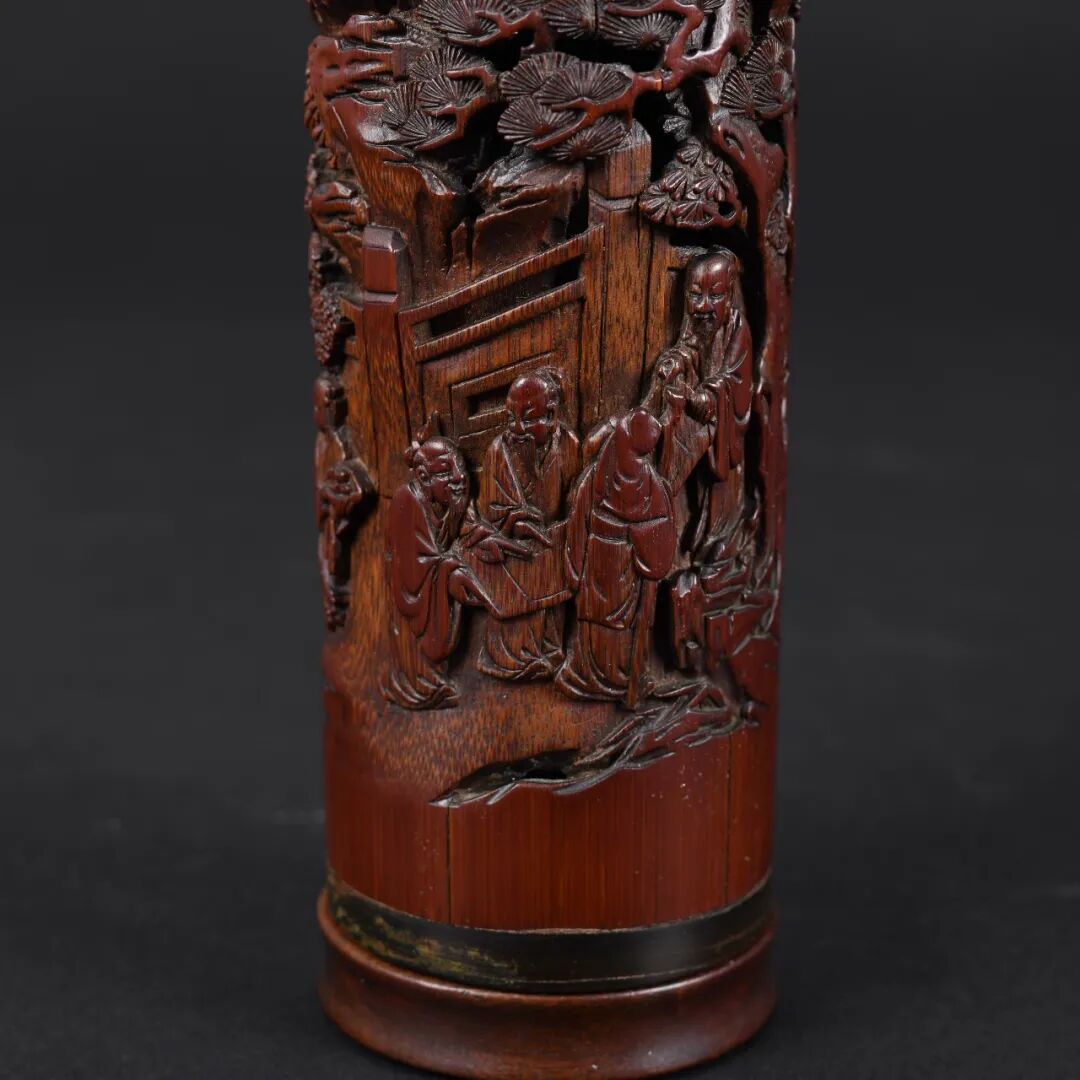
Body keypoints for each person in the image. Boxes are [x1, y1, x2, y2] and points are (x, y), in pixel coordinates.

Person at [555, 409, 676, 706]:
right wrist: (575, 568)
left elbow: (659, 523)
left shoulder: (645, 481)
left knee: (618, 624)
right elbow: (578, 520)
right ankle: (591, 676)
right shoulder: (599, 477)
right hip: (601, 559)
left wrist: (644, 539)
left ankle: (620, 676)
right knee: (597, 619)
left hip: (620, 562)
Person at [644, 248, 754, 559]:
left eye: (714, 296)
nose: (703, 306)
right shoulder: (697, 321)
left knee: (717, 496)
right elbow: (689, 347)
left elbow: (732, 385)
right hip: (699, 419)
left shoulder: (738, 331)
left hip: (723, 432)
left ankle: (716, 537)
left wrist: (698, 397)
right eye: (695, 295)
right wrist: (674, 362)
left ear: (729, 296)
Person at [476, 370, 581, 680]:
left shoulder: (568, 445)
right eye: (512, 418)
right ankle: (513, 658)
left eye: (528, 418)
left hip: (554, 543)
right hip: (514, 548)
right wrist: (514, 520)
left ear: (551, 416)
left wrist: (564, 526)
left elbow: (576, 496)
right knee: (516, 597)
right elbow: (492, 509)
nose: (517, 428)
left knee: (552, 593)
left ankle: (549, 651)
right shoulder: (499, 450)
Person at [382, 435, 495, 710]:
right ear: (423, 477)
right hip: (414, 596)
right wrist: (449, 571)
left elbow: (465, 532)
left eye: (460, 468)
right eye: (446, 472)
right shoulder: (407, 500)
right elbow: (414, 569)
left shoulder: (449, 499)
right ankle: (419, 682)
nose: (458, 477)